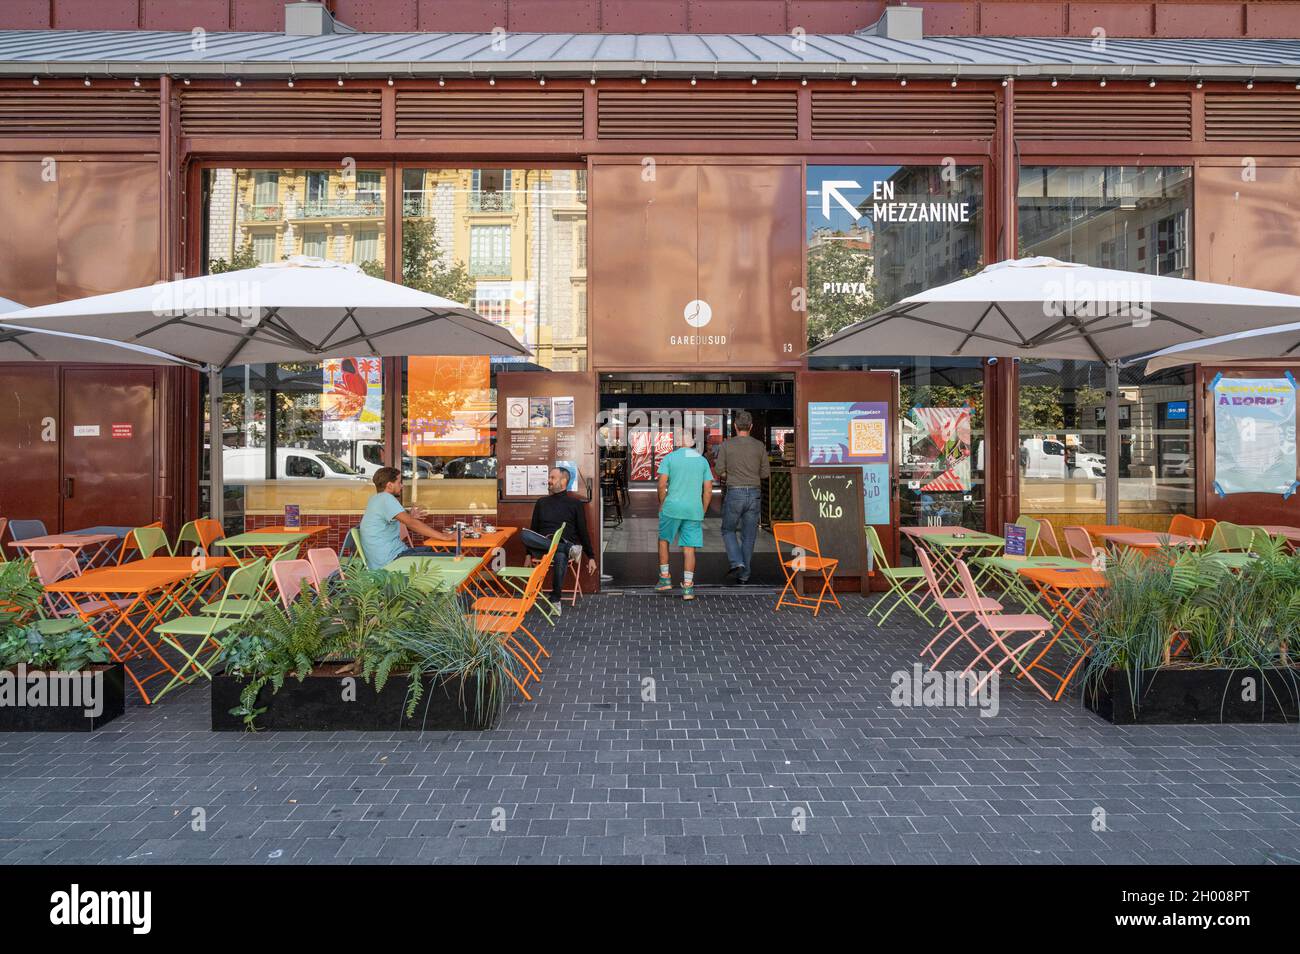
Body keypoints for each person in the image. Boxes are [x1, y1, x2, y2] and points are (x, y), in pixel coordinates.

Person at [522, 466, 597, 608]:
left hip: (560, 548)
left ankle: (555, 600)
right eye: (549, 477)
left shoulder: (575, 504)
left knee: (560, 555)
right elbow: (534, 529)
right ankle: (569, 548)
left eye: (552, 477)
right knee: (524, 534)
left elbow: (582, 531)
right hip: (542, 546)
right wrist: (527, 555)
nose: (548, 480)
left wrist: (591, 557)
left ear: (563, 481)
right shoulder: (541, 502)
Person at [357, 466, 455, 569]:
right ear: (389, 485)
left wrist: (410, 517)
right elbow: (411, 523)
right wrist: (445, 536)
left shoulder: (376, 499)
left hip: (395, 554)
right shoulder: (386, 499)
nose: (402, 485)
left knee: (448, 550)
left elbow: (400, 521)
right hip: (392, 560)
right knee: (450, 558)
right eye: (399, 482)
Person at [656, 427, 713, 601]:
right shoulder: (702, 460)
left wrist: (663, 503)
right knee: (689, 549)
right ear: (692, 442)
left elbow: (661, 484)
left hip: (672, 508)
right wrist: (702, 509)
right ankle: (688, 588)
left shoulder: (670, 458)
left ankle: (665, 579)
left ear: (678, 442)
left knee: (664, 540)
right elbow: (708, 490)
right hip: (693, 509)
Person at [713, 410, 770, 585]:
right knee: (749, 535)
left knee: (728, 530)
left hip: (735, 492)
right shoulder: (759, 446)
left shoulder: (726, 445)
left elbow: (718, 469)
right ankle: (744, 574)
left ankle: (736, 561)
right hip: (754, 494)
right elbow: (765, 473)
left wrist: (728, 475)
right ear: (751, 426)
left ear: (735, 427)